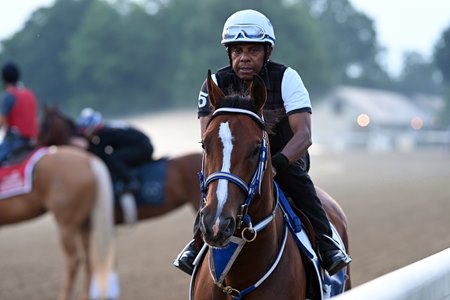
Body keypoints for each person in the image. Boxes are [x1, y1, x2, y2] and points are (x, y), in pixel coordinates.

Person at [174, 9, 351, 276]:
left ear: (267, 52)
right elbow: (208, 136)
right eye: (237, 51)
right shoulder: (214, 83)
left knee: (299, 184)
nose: (244, 58)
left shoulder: (287, 78)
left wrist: (275, 165)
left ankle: (327, 245)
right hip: (235, 159)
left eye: (252, 51)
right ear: (229, 53)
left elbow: (303, 134)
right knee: (216, 184)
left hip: (284, 159)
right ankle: (199, 242)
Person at [76, 107, 154, 195]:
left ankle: (132, 181)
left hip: (142, 148)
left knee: (113, 158)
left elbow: (99, 154)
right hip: (142, 145)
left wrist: (85, 146)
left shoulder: (105, 133)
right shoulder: (107, 128)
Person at [0, 61, 38, 164]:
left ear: (4, 78)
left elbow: (2, 122)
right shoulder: (30, 94)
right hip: (32, 141)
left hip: (15, 141)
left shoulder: (9, 96)